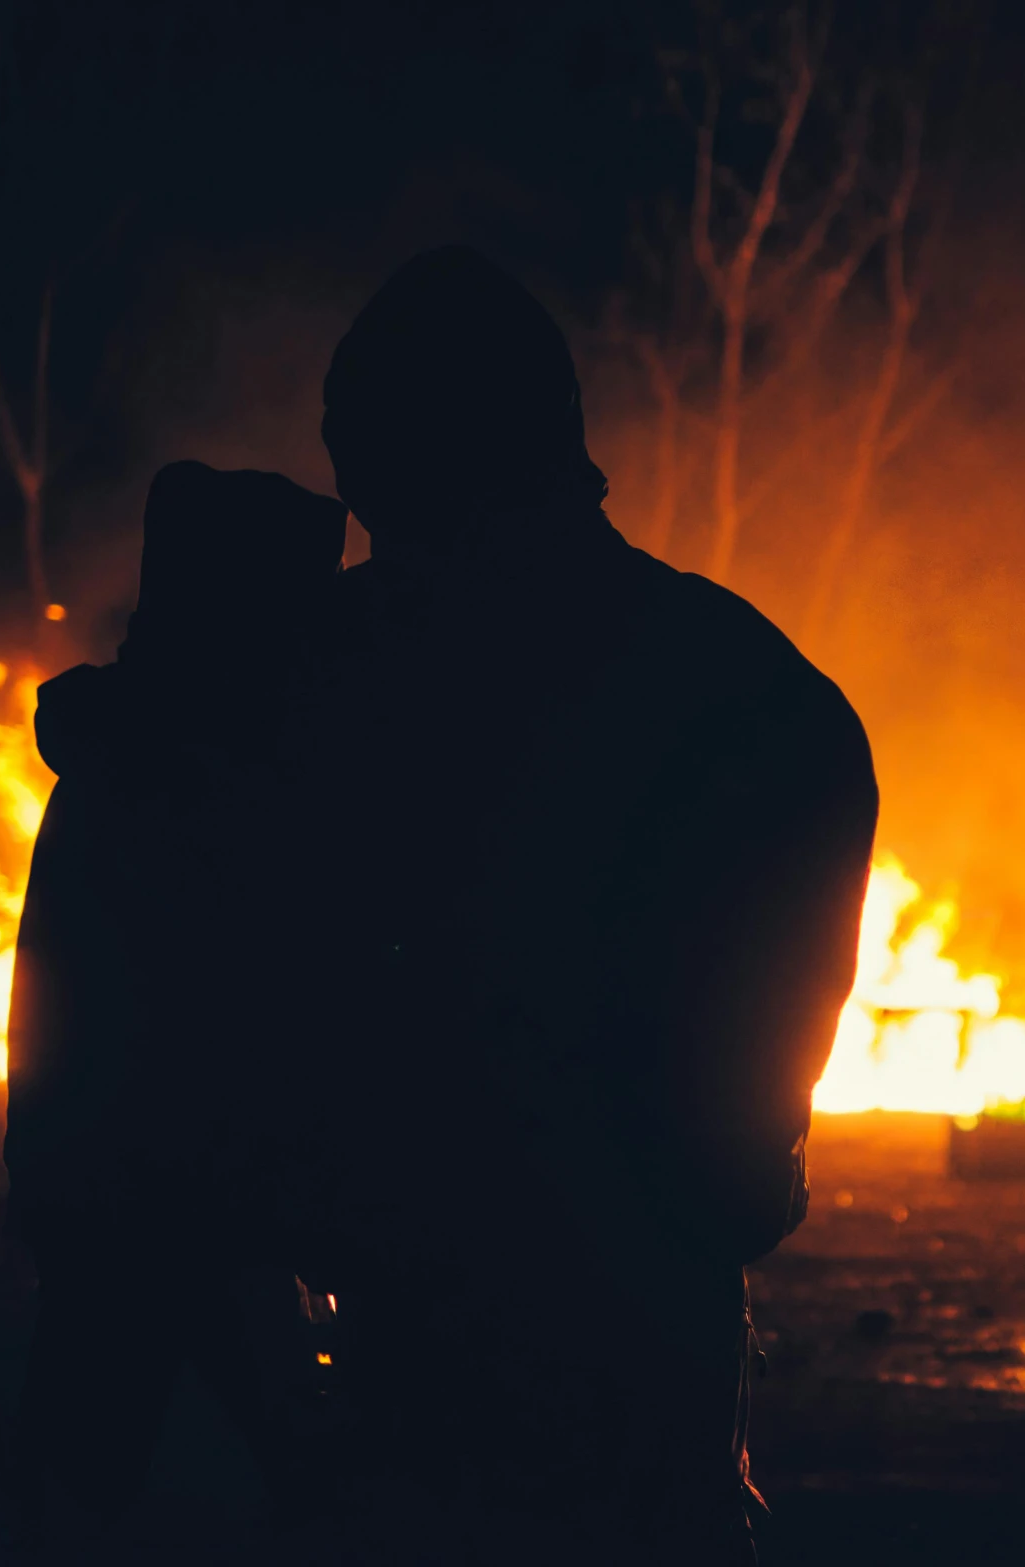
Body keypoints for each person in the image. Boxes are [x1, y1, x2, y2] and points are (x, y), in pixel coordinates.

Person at [278, 246, 879, 1563]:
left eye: (361, 462)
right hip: (647, 1369)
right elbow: (743, 1133)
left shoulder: (319, 692)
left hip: (394, 1386)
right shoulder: (762, 699)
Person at [8, 461, 351, 1529]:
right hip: (190, 1205)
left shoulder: (123, 763)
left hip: (111, 1199)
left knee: (80, 1482)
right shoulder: (202, 786)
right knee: (319, 1486)